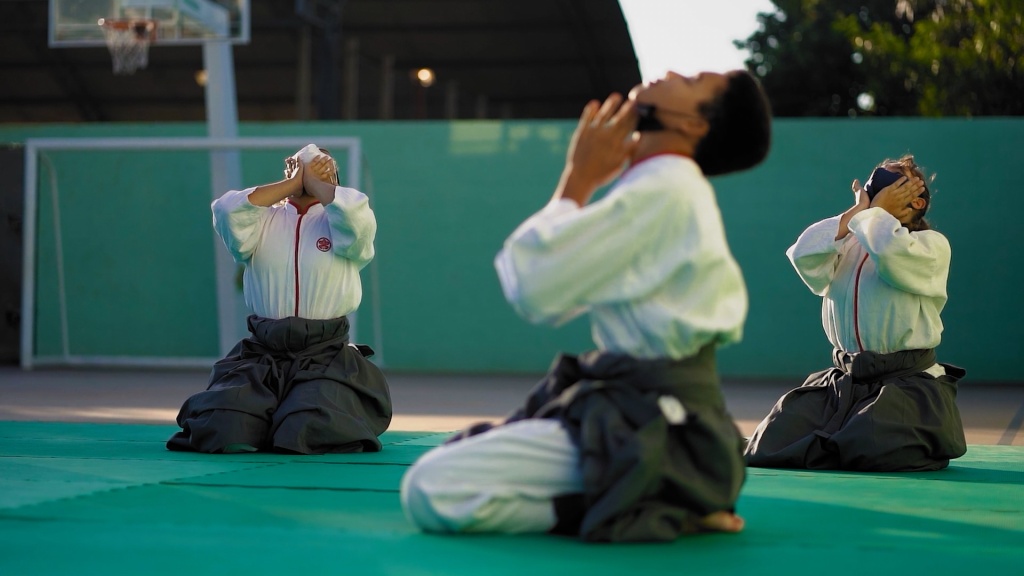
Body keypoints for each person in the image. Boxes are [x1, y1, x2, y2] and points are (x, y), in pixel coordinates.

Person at [400, 70, 772, 542]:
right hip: (658, 411)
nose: (674, 72)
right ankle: (667, 491)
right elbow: (551, 290)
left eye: (694, 80)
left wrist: (577, 180)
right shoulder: (662, 187)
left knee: (431, 488)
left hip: (657, 423)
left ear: (694, 124)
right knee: (468, 454)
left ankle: (653, 494)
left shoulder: (666, 189)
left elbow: (535, 286)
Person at [744, 154, 967, 472]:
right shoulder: (850, 242)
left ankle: (865, 438)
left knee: (873, 445)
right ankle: (837, 438)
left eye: (893, 183)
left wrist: (874, 213)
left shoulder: (930, 245)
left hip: (903, 382)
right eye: (875, 185)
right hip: (844, 380)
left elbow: (890, 255)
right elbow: (804, 254)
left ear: (917, 202)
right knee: (772, 439)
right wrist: (855, 214)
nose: (877, 187)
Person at [167, 145, 392, 455]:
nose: (308, 176)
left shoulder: (341, 224)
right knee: (224, 428)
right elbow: (225, 209)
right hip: (263, 352)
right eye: (301, 170)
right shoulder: (261, 221)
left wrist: (318, 184)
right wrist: (293, 183)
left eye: (320, 170)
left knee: (309, 428)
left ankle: (287, 416)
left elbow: (355, 213)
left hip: (323, 354)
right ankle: (258, 419)